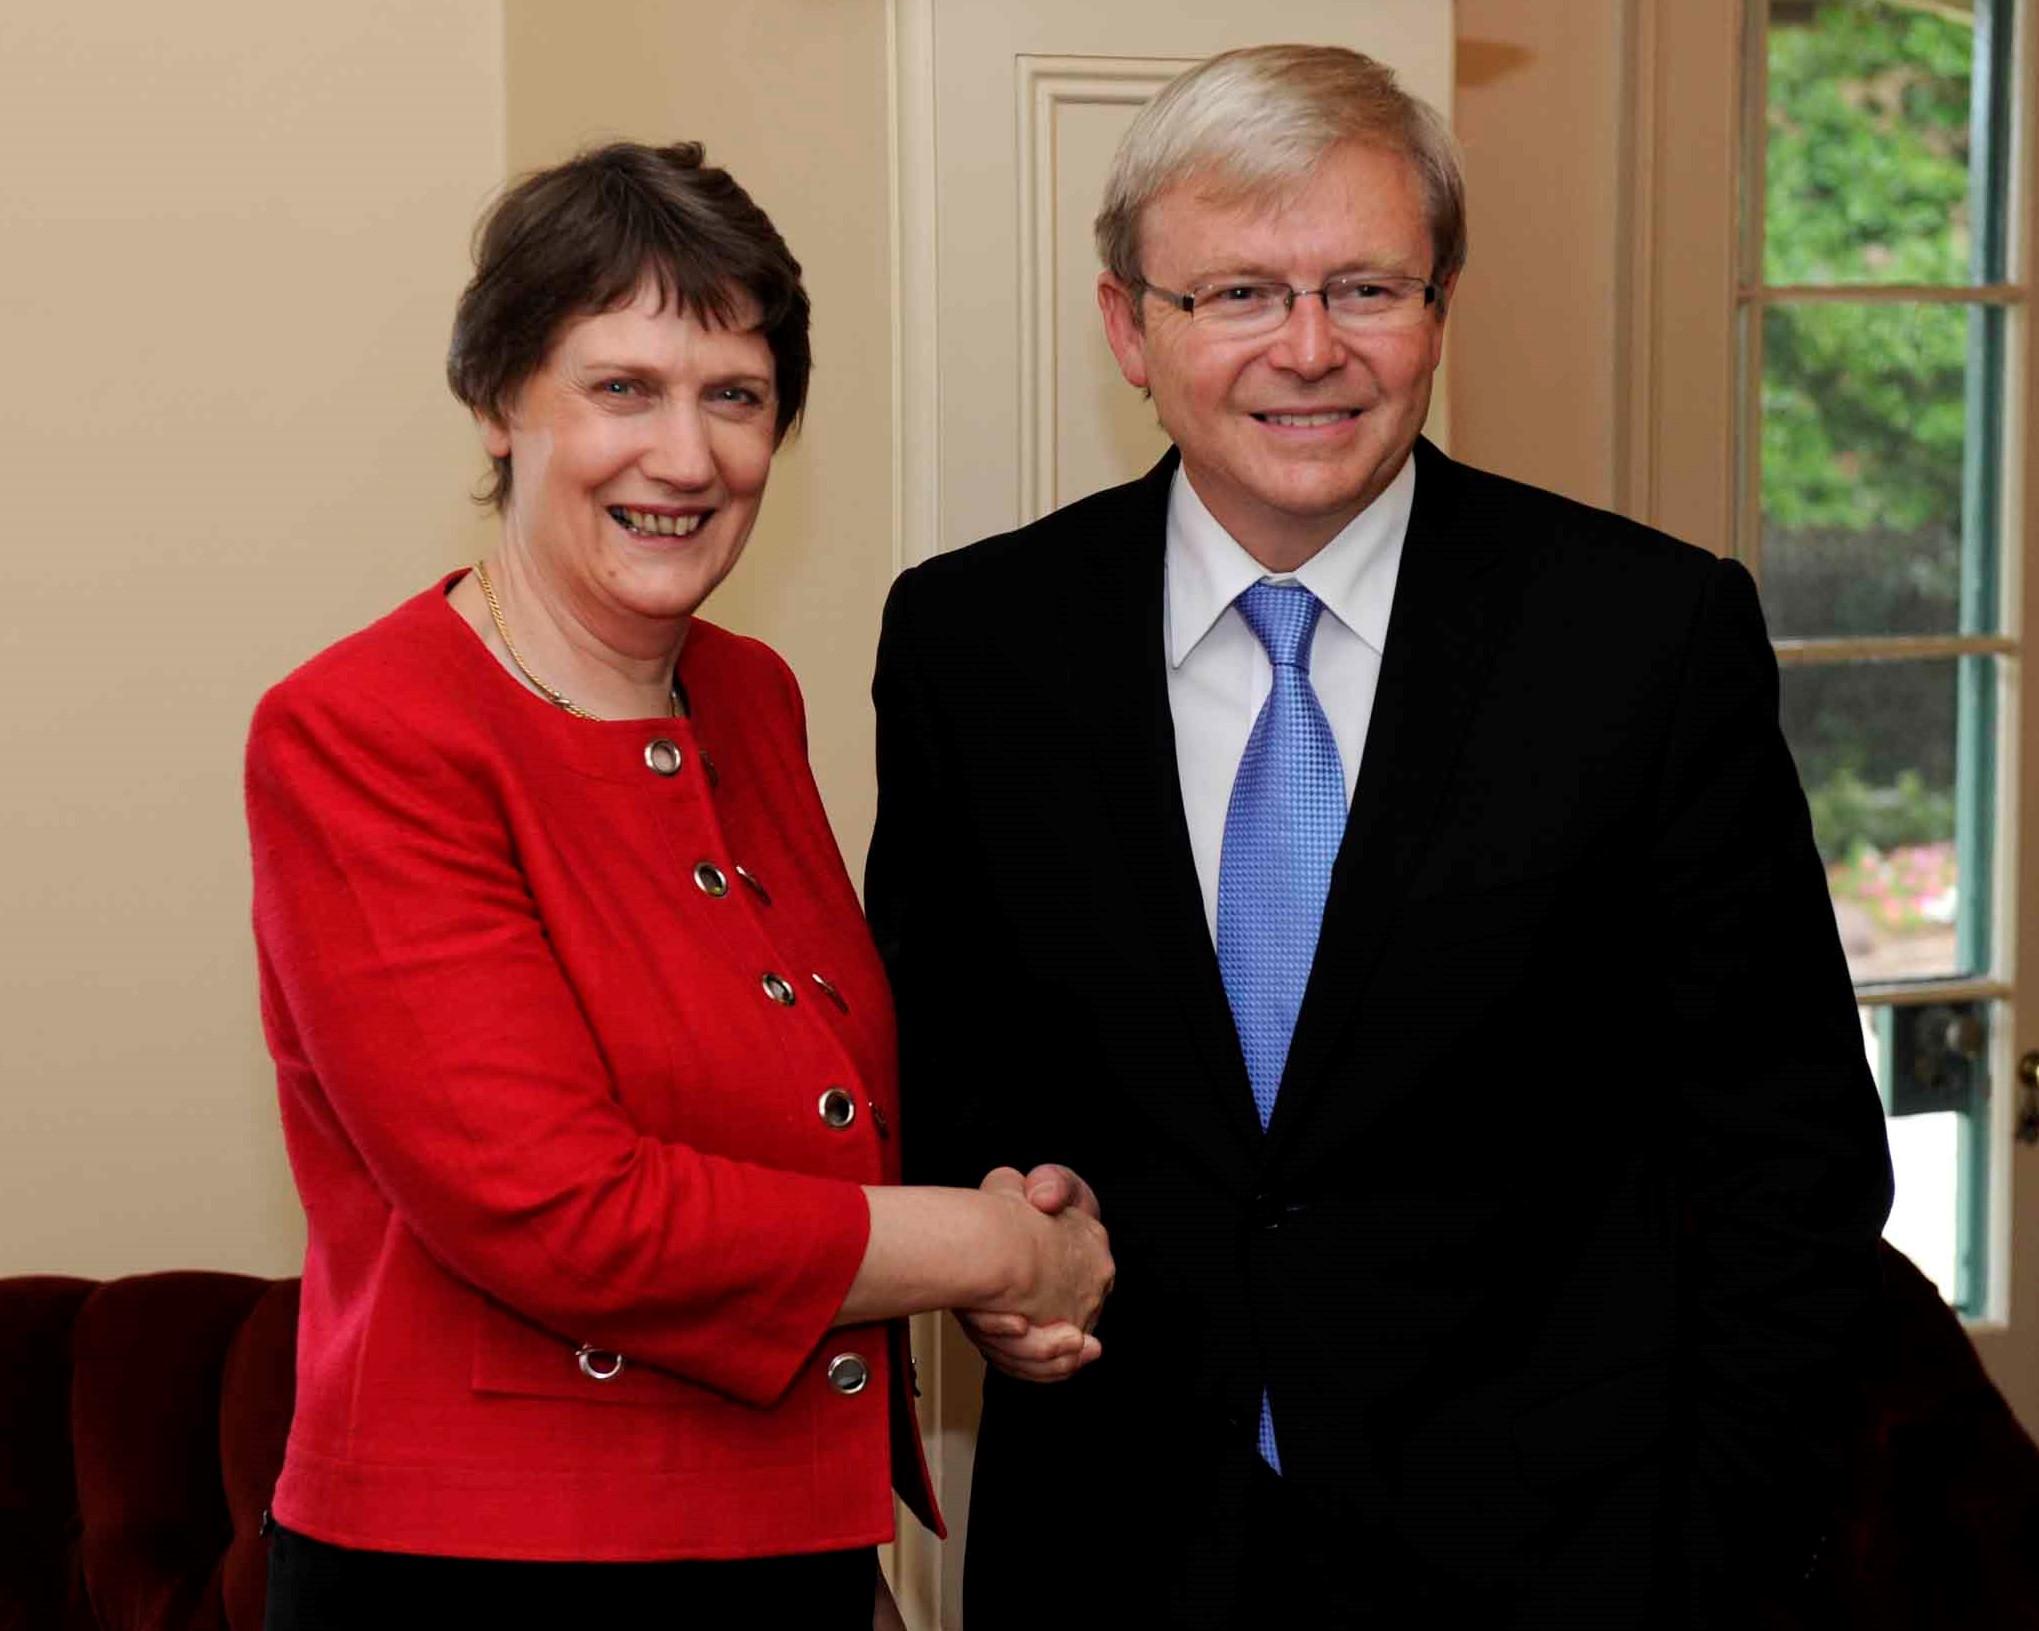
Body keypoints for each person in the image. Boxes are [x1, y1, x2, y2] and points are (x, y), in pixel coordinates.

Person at [866, 45, 1892, 1628]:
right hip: (1115, 1561)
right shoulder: (975, 645)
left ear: (1440, 311)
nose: (1310, 350)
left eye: (1366, 287)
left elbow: (1793, 1165)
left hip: (1563, 1570)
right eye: (1237, 295)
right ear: (1127, 327)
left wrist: (1720, 1571)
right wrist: (1002, 1247)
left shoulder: (1642, 637)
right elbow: (938, 1072)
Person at [244, 140, 1111, 1630]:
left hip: (788, 1540)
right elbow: (561, 1211)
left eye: (737, 396)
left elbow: (810, 1112)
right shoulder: (362, 730)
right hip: (490, 1571)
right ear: (500, 401)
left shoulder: (751, 696)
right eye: (622, 388)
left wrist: (984, 1238)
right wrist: (981, 1245)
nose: (689, 456)